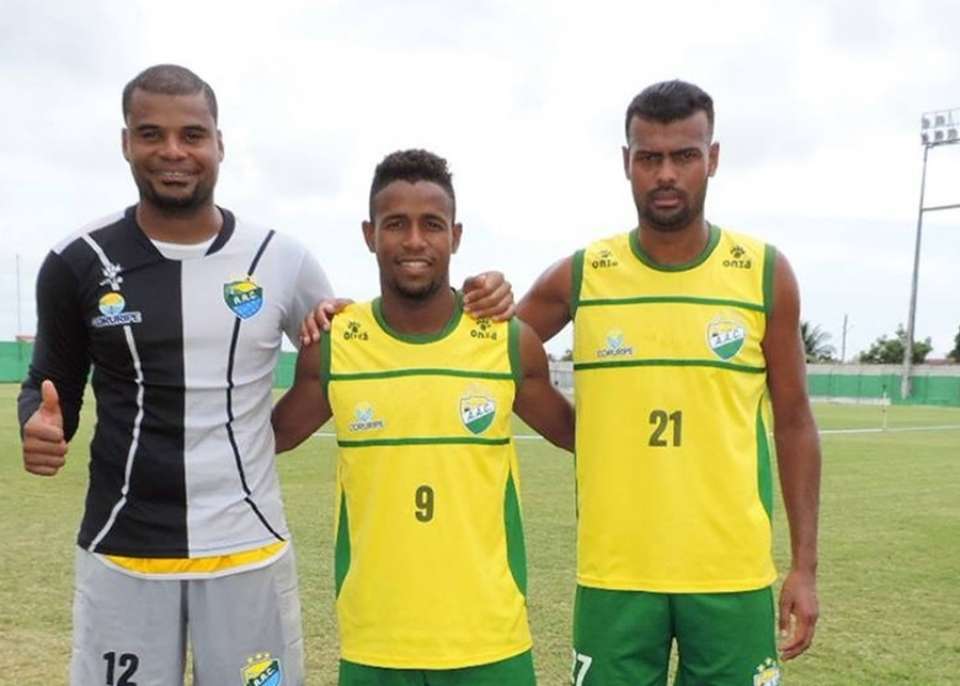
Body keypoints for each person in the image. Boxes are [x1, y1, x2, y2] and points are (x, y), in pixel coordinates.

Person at [16, 65, 510, 686]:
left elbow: (368, 338)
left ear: (219, 144)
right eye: (151, 134)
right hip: (122, 546)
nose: (173, 152)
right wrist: (38, 422)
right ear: (125, 143)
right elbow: (49, 383)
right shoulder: (78, 260)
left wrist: (486, 292)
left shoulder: (280, 259)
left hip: (247, 548)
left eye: (192, 135)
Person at [515, 80, 821, 685]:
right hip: (615, 572)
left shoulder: (763, 274)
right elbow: (496, 357)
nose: (666, 174)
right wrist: (584, 433)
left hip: (731, 574)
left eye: (684, 155)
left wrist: (804, 566)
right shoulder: (583, 274)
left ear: (713, 158)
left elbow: (794, 421)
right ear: (625, 161)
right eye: (648, 157)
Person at [272, 149, 575, 686]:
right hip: (376, 643)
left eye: (431, 225)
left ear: (455, 237)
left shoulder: (507, 342)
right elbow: (264, 439)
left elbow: (587, 437)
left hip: (491, 640)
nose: (414, 241)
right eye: (396, 224)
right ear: (369, 235)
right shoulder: (337, 346)